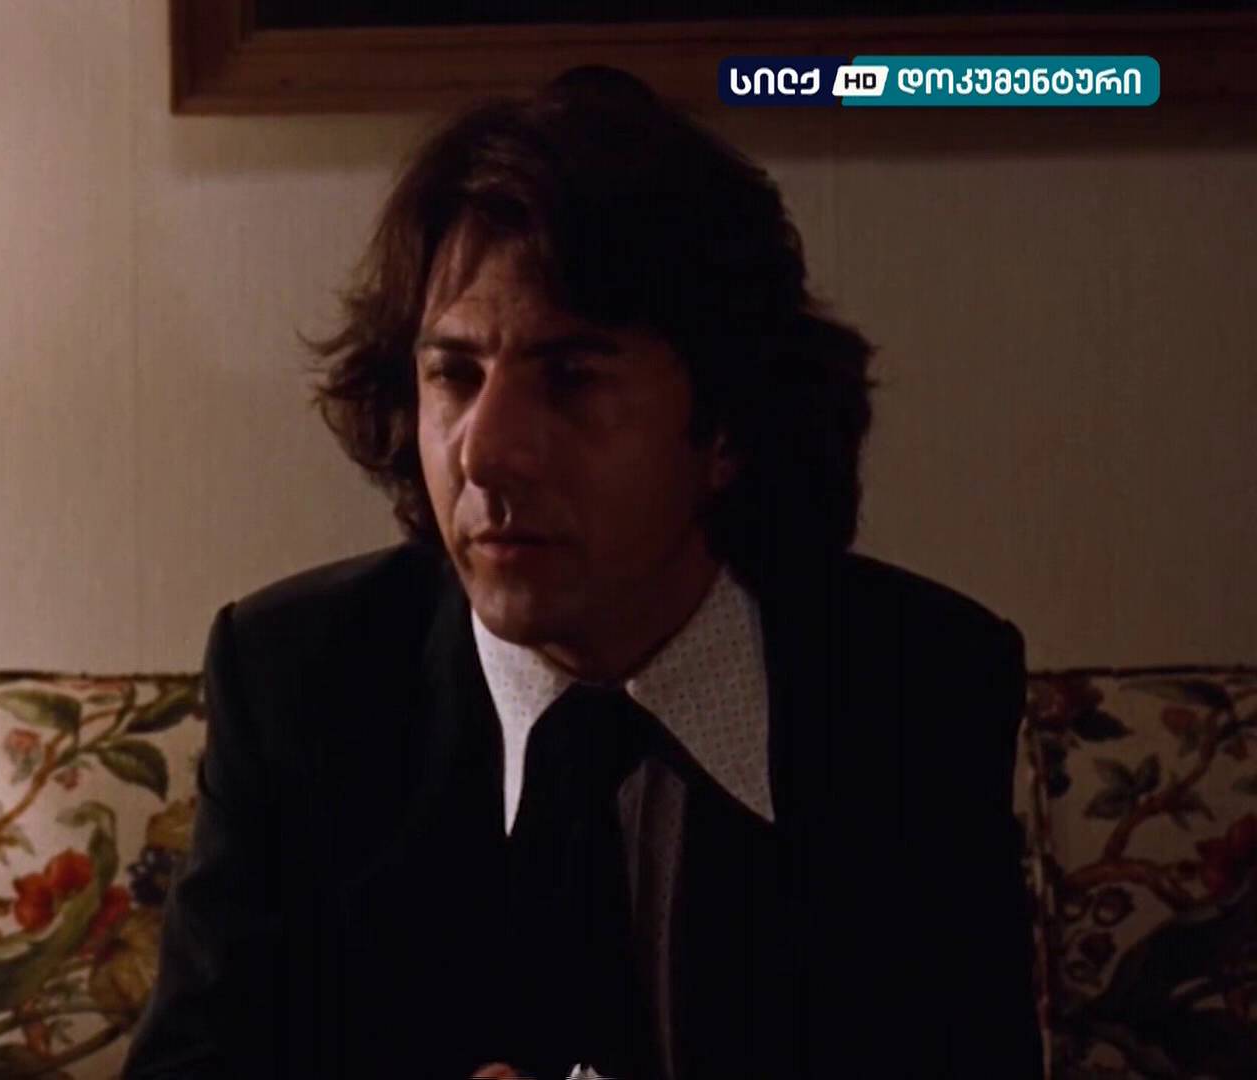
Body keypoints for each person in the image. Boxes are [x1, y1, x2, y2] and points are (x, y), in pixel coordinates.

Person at [123, 66, 1042, 1080]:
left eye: (571, 379)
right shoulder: (298, 684)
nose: (485, 452)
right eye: (453, 375)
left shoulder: (918, 685)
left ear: (725, 428)